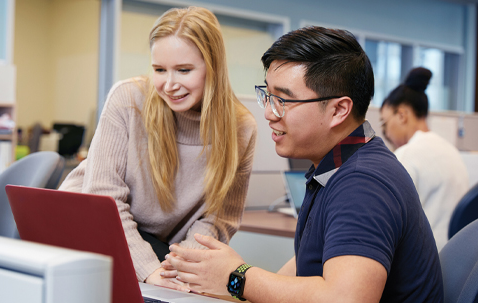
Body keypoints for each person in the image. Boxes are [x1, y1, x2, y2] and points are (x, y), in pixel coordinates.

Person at [163, 26, 443, 302]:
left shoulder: (362, 183)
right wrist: (230, 282)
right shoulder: (336, 167)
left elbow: (345, 299)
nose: (269, 113)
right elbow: (302, 268)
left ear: (339, 110)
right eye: (268, 96)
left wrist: (237, 277)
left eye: (283, 100)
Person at [59, 6, 257, 289]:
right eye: (159, 70)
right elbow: (105, 200)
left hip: (156, 246)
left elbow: (217, 220)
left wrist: (179, 269)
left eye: (184, 70)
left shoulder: (242, 128)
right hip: (84, 226)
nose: (170, 85)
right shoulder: (128, 99)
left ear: (213, 67)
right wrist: (150, 270)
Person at [380, 67, 469, 250]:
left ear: (402, 115)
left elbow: (388, 222)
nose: (386, 133)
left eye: (385, 123)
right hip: (458, 258)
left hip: (428, 263)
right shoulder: (450, 150)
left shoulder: (407, 154)